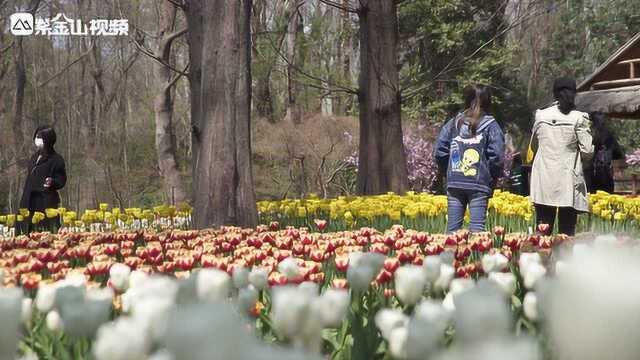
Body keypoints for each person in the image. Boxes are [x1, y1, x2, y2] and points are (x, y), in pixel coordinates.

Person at [435, 85, 505, 233]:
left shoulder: (453, 123)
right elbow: (497, 156)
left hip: (454, 182)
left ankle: (451, 255)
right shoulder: (491, 126)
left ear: (466, 100)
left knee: (452, 232)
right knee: (477, 232)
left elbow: (440, 150)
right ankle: (476, 256)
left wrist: (447, 171)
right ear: (488, 101)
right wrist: (492, 177)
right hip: (479, 184)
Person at [529, 78, 593, 236]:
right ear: (574, 93)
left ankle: (542, 260)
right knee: (566, 233)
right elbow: (587, 151)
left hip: (543, 179)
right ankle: (563, 260)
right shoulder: (579, 118)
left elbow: (533, 147)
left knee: (543, 231)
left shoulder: (541, 115)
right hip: (568, 180)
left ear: (554, 93)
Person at [19, 125, 67, 233]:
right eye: (36, 136)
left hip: (45, 201)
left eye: (40, 137)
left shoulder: (56, 159)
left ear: (48, 139)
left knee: (46, 232)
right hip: (29, 200)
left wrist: (52, 182)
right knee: (27, 232)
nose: (37, 140)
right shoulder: (34, 157)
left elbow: (62, 179)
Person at [583, 111, 624, 194]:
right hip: (602, 173)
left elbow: (618, 154)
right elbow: (618, 154)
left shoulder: (587, 134)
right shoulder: (608, 136)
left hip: (592, 173)